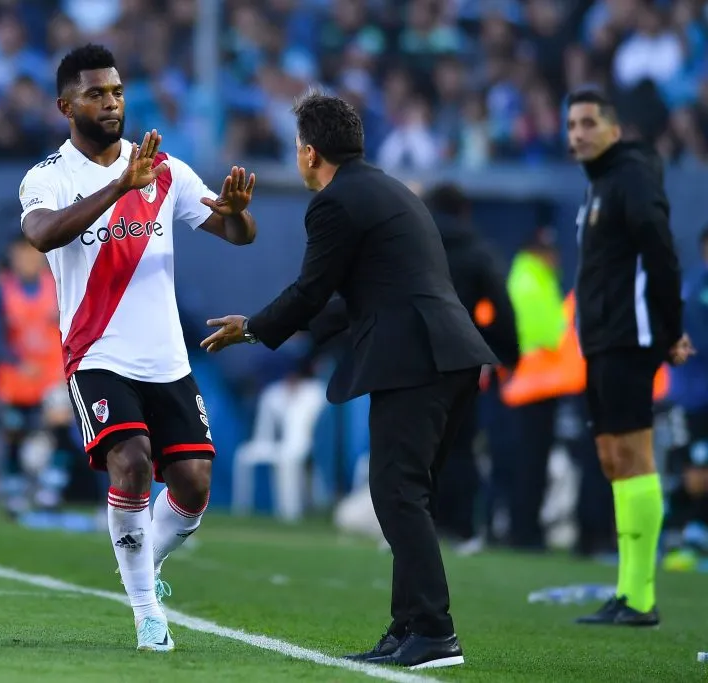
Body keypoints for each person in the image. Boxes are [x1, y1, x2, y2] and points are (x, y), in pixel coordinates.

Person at [201, 91, 496, 670]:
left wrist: (254, 328)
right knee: (404, 492)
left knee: (396, 491)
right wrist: (274, 328)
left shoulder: (336, 202)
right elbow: (355, 297)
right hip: (447, 354)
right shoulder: (387, 189)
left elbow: (312, 290)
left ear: (310, 153)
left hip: (419, 358)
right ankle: (408, 624)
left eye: (295, 148)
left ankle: (434, 631)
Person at [17, 44, 257, 652]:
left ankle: (141, 562)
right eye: (96, 93)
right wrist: (121, 187)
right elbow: (44, 234)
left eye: (118, 91)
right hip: (96, 352)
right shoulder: (49, 176)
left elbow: (234, 233)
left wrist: (236, 215)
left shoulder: (164, 169)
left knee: (195, 483)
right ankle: (148, 612)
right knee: (133, 463)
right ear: (66, 105)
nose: (112, 102)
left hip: (166, 357)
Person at [565, 87, 693, 626]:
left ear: (614, 129)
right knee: (614, 461)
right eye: (571, 125)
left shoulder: (633, 175)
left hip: (630, 336)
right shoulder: (600, 184)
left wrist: (669, 330)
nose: (577, 134)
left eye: (589, 123)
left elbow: (660, 249)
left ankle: (640, 597)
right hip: (601, 339)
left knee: (634, 458)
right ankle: (627, 591)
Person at [423, 182, 519, 545]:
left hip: (409, 356)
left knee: (414, 444)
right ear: (463, 211)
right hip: (461, 359)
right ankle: (460, 526)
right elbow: (501, 304)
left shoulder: (408, 243)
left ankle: (413, 524)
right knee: (459, 445)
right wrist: (505, 350)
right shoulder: (477, 249)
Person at [0, 236, 77, 517]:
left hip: (51, 374)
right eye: (21, 253)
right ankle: (14, 490)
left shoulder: (58, 286)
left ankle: (51, 489)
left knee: (60, 424)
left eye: (32, 253)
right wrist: (15, 360)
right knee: (14, 433)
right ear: (12, 255)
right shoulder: (1, 291)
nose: (27, 259)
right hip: (15, 377)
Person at [503, 225, 567, 550]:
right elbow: (547, 336)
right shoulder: (529, 282)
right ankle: (523, 531)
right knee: (529, 465)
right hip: (532, 387)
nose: (555, 258)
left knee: (532, 465)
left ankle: (526, 528)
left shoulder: (537, 279)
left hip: (538, 386)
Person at [661, 225, 708, 571]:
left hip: (693, 394)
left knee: (694, 469)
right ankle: (686, 538)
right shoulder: (697, 288)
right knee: (694, 471)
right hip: (694, 397)